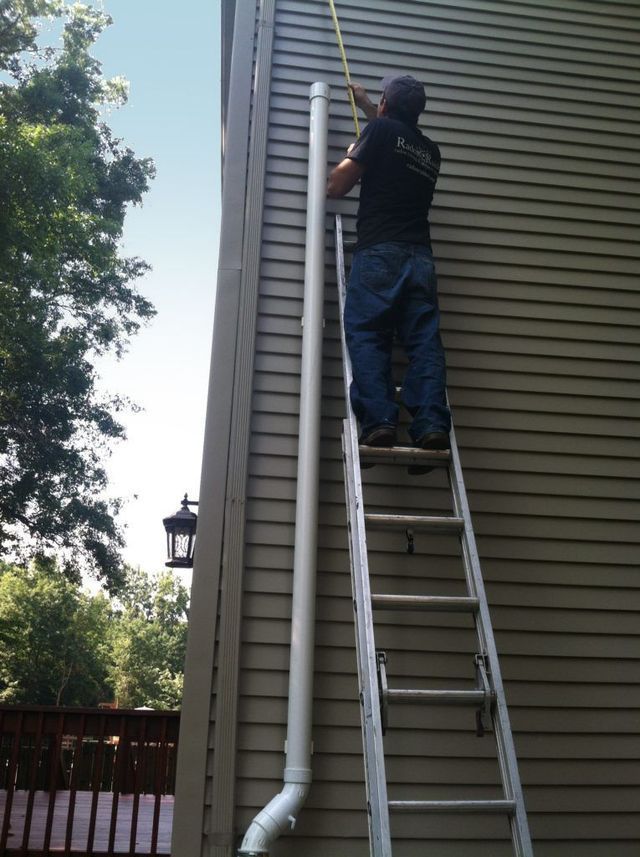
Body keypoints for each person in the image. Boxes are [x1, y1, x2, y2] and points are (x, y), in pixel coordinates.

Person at [327, 75, 451, 457]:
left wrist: (352, 151)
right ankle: (430, 424)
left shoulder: (378, 132)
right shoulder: (430, 150)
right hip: (420, 260)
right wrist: (367, 105)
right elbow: (396, 135)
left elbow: (335, 186)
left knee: (367, 333)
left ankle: (380, 422)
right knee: (424, 343)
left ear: (385, 104)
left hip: (381, 254)